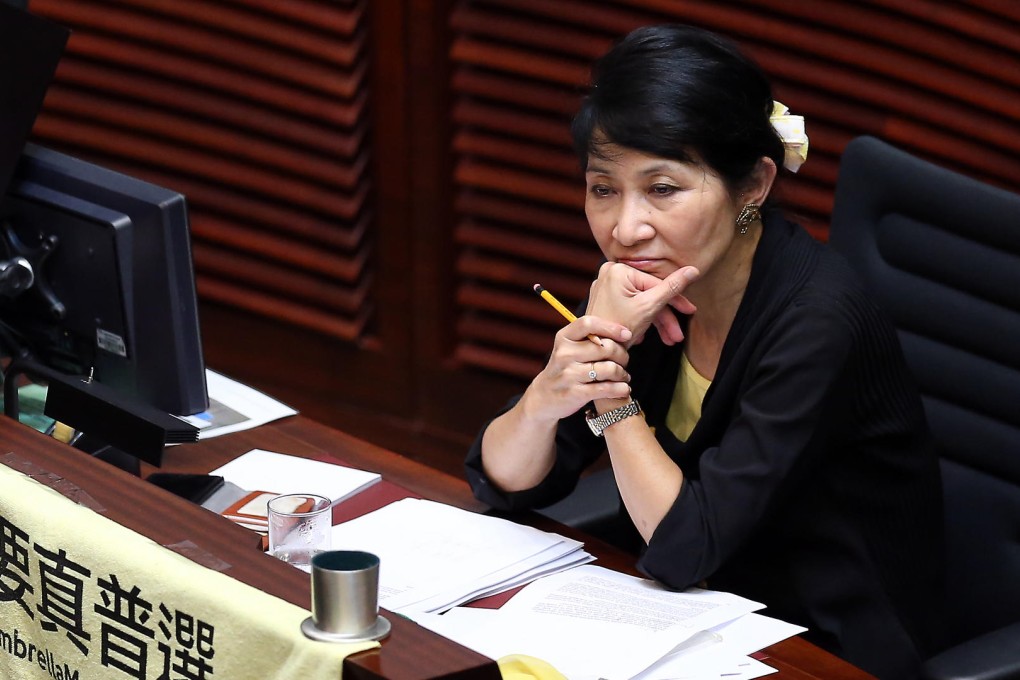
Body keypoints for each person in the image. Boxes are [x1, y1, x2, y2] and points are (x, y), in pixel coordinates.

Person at [465, 24, 944, 680]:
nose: (625, 228)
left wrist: (609, 392)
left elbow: (687, 548)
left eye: (663, 189)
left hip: (823, 640)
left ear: (752, 186)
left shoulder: (816, 321)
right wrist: (551, 394)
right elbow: (502, 479)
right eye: (603, 188)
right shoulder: (649, 279)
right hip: (698, 611)